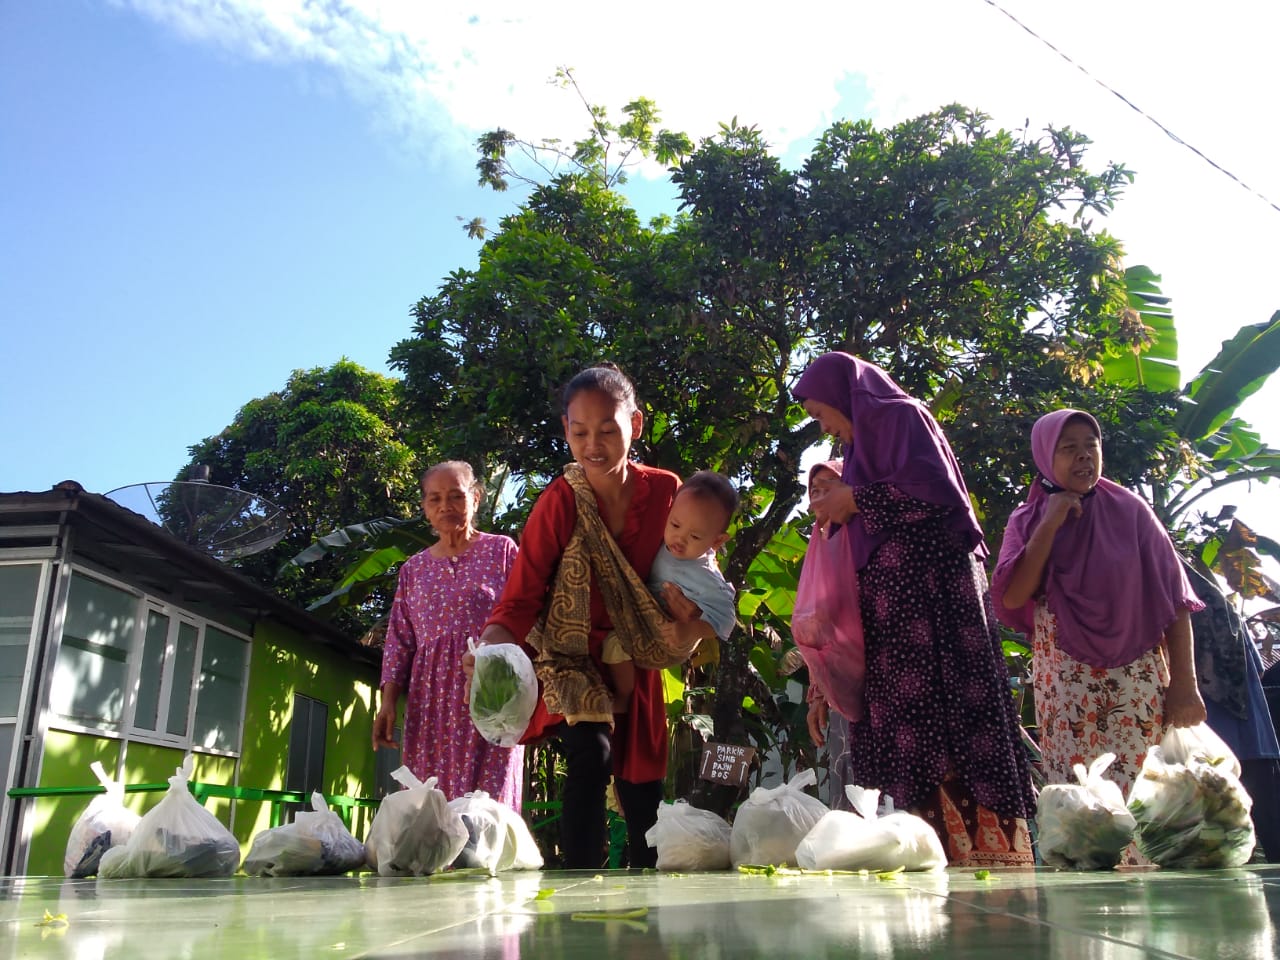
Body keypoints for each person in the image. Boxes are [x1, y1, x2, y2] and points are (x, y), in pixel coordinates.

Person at [793, 351, 1036, 866]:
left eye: (822, 413)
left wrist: (857, 501)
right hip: (893, 626)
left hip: (936, 612)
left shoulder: (901, 417)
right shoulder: (858, 451)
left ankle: (981, 854)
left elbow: (937, 496)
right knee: (909, 738)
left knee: (949, 729)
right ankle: (926, 848)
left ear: (845, 397)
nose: (826, 427)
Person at [463, 364, 701, 869]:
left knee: (643, 790)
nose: (593, 444)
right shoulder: (560, 500)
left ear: (635, 425)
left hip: (636, 650)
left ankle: (648, 909)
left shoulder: (665, 492)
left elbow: (694, 566)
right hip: (569, 655)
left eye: (608, 430)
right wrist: (491, 653)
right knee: (591, 757)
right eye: (579, 432)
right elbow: (522, 593)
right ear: (566, 432)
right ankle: (578, 892)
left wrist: (690, 617)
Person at [992, 408, 1207, 799]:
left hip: (1136, 687)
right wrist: (1050, 523)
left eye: (1091, 446)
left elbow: (1176, 602)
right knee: (1081, 806)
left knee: (1146, 801)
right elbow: (1012, 596)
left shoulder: (1132, 513)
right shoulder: (1026, 520)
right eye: (1069, 448)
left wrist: (1185, 686)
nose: (1084, 457)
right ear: (1044, 456)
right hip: (1066, 690)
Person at [372, 461, 523, 813]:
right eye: (435, 499)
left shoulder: (502, 551)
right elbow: (399, 642)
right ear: (424, 507)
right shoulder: (413, 569)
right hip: (431, 700)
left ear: (475, 497)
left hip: (491, 690)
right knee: (430, 799)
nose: (445, 506)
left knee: (490, 801)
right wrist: (388, 702)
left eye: (456, 496)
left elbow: (525, 614)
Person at [605, 470, 739, 714]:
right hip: (640, 614)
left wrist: (691, 629)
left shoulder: (707, 577)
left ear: (717, 542)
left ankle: (624, 697)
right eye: (675, 524)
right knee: (612, 642)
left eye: (695, 536)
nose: (680, 538)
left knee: (615, 645)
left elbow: (726, 620)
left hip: (670, 636)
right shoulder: (660, 541)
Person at [801, 459, 860, 812]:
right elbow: (818, 632)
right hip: (838, 692)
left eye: (829, 486)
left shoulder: (863, 541)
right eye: (813, 490)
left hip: (876, 683)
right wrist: (817, 696)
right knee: (846, 788)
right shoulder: (820, 547)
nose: (820, 496)